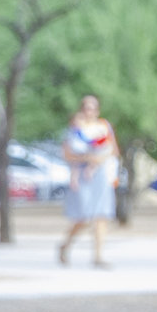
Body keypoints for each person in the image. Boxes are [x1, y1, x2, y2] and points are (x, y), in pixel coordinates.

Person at [57, 95, 119, 269]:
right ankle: (66, 244)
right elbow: (67, 153)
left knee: (101, 215)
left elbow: (113, 149)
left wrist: (100, 158)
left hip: (101, 174)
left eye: (93, 108)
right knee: (83, 217)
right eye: (86, 108)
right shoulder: (75, 129)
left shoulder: (103, 127)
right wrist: (86, 157)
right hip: (83, 175)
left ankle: (98, 256)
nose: (89, 111)